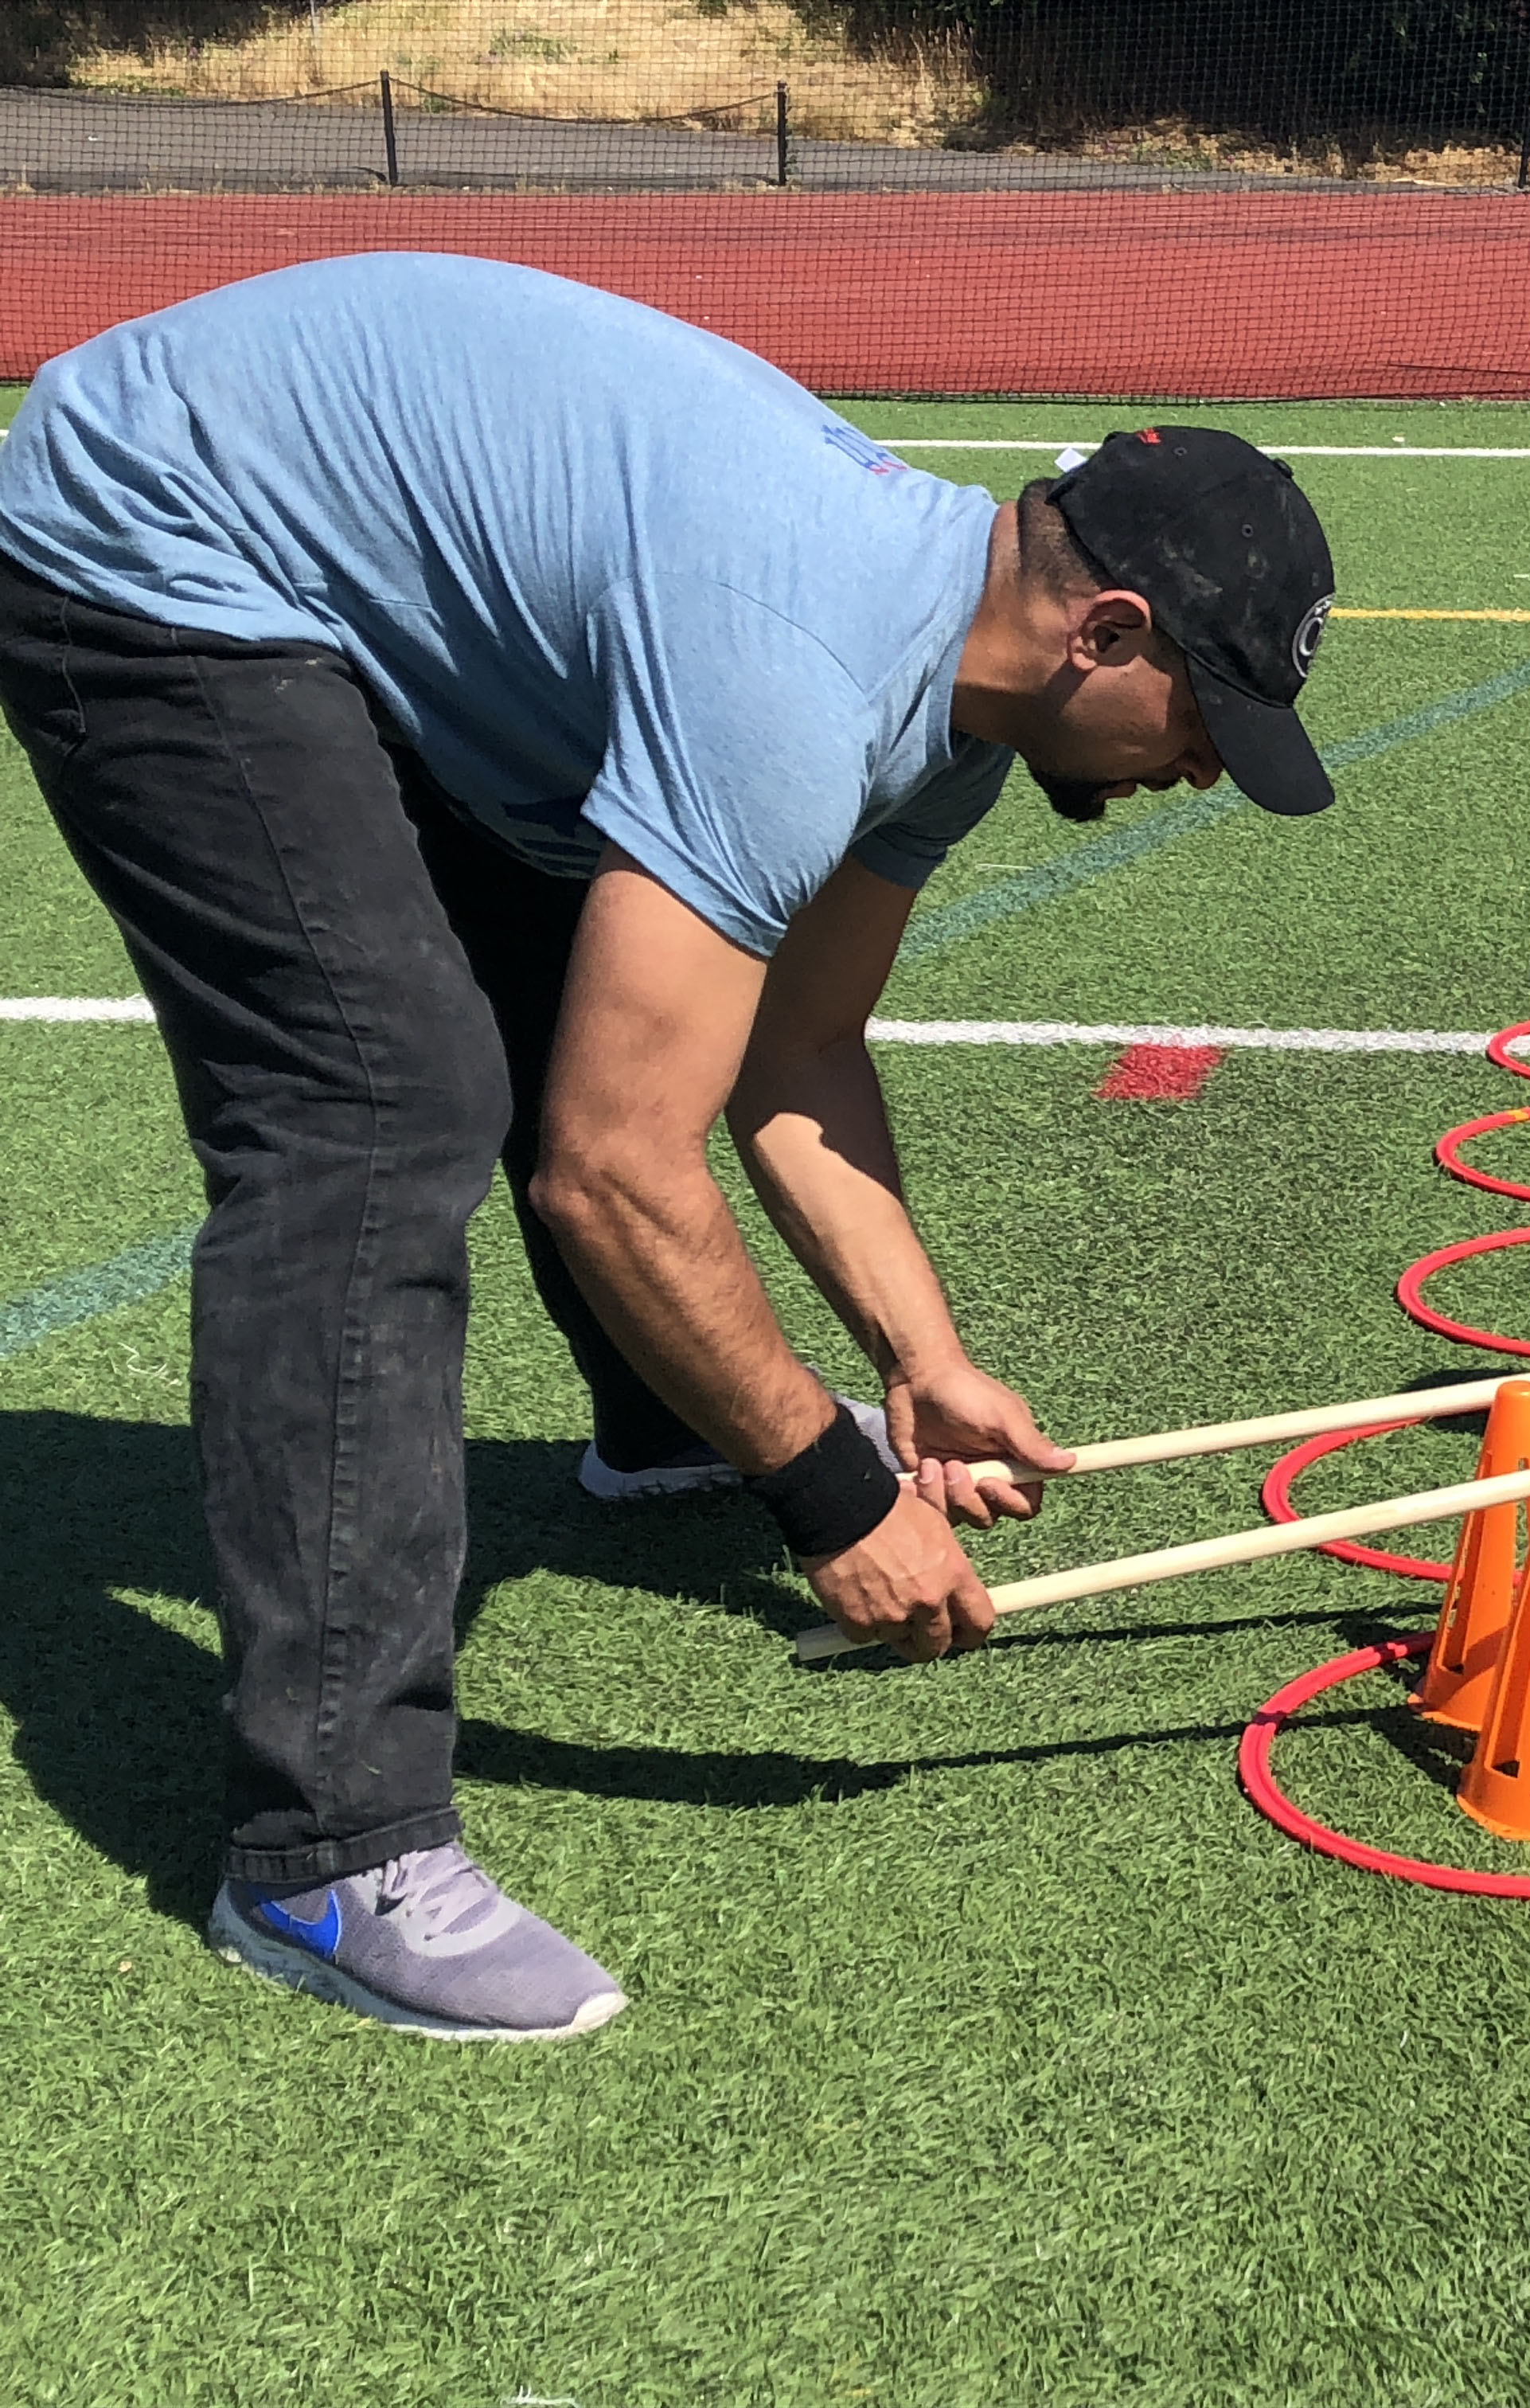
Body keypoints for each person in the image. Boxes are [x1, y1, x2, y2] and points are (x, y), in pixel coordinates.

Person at [0, 255, 1341, 2036]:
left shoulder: (953, 708)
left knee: (618, 984)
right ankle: (326, 1852)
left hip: (365, 571)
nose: (1198, 773)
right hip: (162, 537)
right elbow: (611, 1169)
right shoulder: (793, 679)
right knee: (377, 1113)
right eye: (1206, 724)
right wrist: (833, 1494)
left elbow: (795, 1047)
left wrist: (919, 1366)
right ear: (1105, 634)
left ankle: (656, 1426)